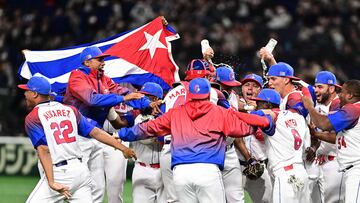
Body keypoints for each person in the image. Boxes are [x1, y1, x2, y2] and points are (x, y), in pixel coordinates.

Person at [117, 78, 271, 203]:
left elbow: (147, 128)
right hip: (208, 170)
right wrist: (263, 120)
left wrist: (123, 133)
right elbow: (244, 129)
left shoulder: (175, 113)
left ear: (189, 94)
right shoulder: (219, 112)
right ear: (208, 94)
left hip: (181, 173)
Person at [63, 46, 159, 203]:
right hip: (77, 137)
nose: (103, 62)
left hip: (95, 136)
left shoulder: (103, 79)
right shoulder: (77, 77)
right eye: (99, 59)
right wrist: (123, 99)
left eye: (103, 59)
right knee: (75, 184)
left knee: (98, 187)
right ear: (87, 62)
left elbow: (123, 92)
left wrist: (147, 104)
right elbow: (92, 100)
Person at [19, 76, 136, 203]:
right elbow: (95, 132)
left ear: (35, 94)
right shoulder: (69, 110)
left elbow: (43, 149)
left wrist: (52, 182)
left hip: (59, 172)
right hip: (80, 172)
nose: (25, 93)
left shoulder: (33, 117)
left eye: (27, 91)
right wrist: (123, 148)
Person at [302, 80, 360, 202]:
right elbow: (338, 138)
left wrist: (310, 107)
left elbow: (324, 124)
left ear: (350, 95)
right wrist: (316, 134)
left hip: (357, 169)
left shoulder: (354, 109)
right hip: (351, 169)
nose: (339, 95)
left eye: (342, 92)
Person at [251, 88, 311, 203]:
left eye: (259, 103)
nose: (256, 105)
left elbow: (253, 116)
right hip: (301, 171)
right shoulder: (296, 115)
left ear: (267, 105)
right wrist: (305, 89)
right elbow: (306, 105)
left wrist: (252, 110)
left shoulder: (272, 119)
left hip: (285, 174)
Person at [304, 71, 343, 203]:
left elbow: (336, 137)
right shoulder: (320, 106)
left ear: (331, 88)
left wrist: (315, 134)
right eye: (315, 86)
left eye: (320, 87)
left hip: (335, 163)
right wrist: (314, 147)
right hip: (319, 162)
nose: (316, 90)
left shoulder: (339, 104)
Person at [234, 74, 272, 203]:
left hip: (260, 167)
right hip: (237, 165)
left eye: (255, 86)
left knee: (267, 201)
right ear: (242, 88)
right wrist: (246, 108)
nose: (250, 89)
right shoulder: (234, 104)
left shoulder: (267, 108)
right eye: (246, 85)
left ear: (260, 91)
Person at [130, 82, 165, 203]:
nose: (143, 99)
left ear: (156, 99)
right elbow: (146, 138)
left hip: (164, 171)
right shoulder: (138, 118)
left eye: (147, 96)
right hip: (142, 169)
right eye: (142, 96)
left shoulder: (166, 116)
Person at [215, 65, 245, 202]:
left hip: (230, 150)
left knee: (236, 196)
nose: (229, 88)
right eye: (225, 86)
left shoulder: (232, 95)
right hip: (213, 150)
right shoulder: (209, 98)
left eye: (231, 85)